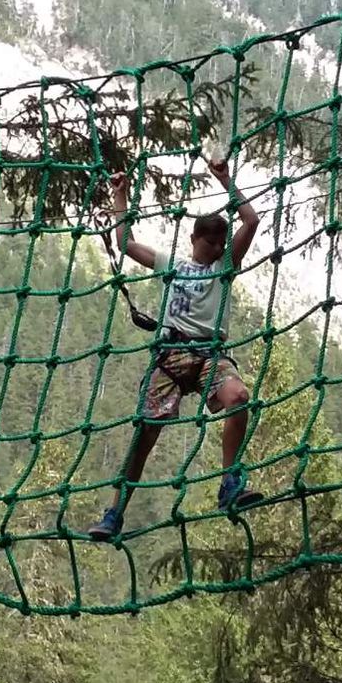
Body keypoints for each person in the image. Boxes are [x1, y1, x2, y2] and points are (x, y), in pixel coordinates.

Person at [88, 159, 263, 541]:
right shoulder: (173, 265)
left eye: (220, 243)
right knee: (144, 435)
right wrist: (120, 195)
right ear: (193, 240)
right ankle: (115, 512)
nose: (216, 248)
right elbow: (125, 243)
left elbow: (251, 222)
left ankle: (229, 482)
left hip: (209, 355)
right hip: (170, 356)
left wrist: (226, 180)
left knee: (239, 396)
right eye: (209, 242)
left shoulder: (225, 267)